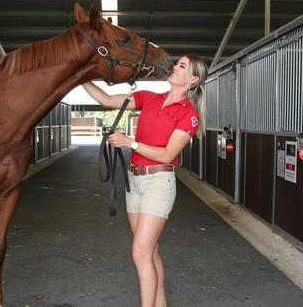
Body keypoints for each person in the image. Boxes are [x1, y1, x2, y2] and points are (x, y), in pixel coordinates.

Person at [82, 53, 208, 307]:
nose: (174, 67)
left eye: (181, 66)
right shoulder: (150, 98)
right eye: (176, 64)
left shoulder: (188, 115)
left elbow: (168, 154)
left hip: (159, 184)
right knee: (150, 252)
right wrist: (79, 76)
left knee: (140, 253)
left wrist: (131, 143)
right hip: (135, 181)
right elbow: (106, 100)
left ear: (193, 79)